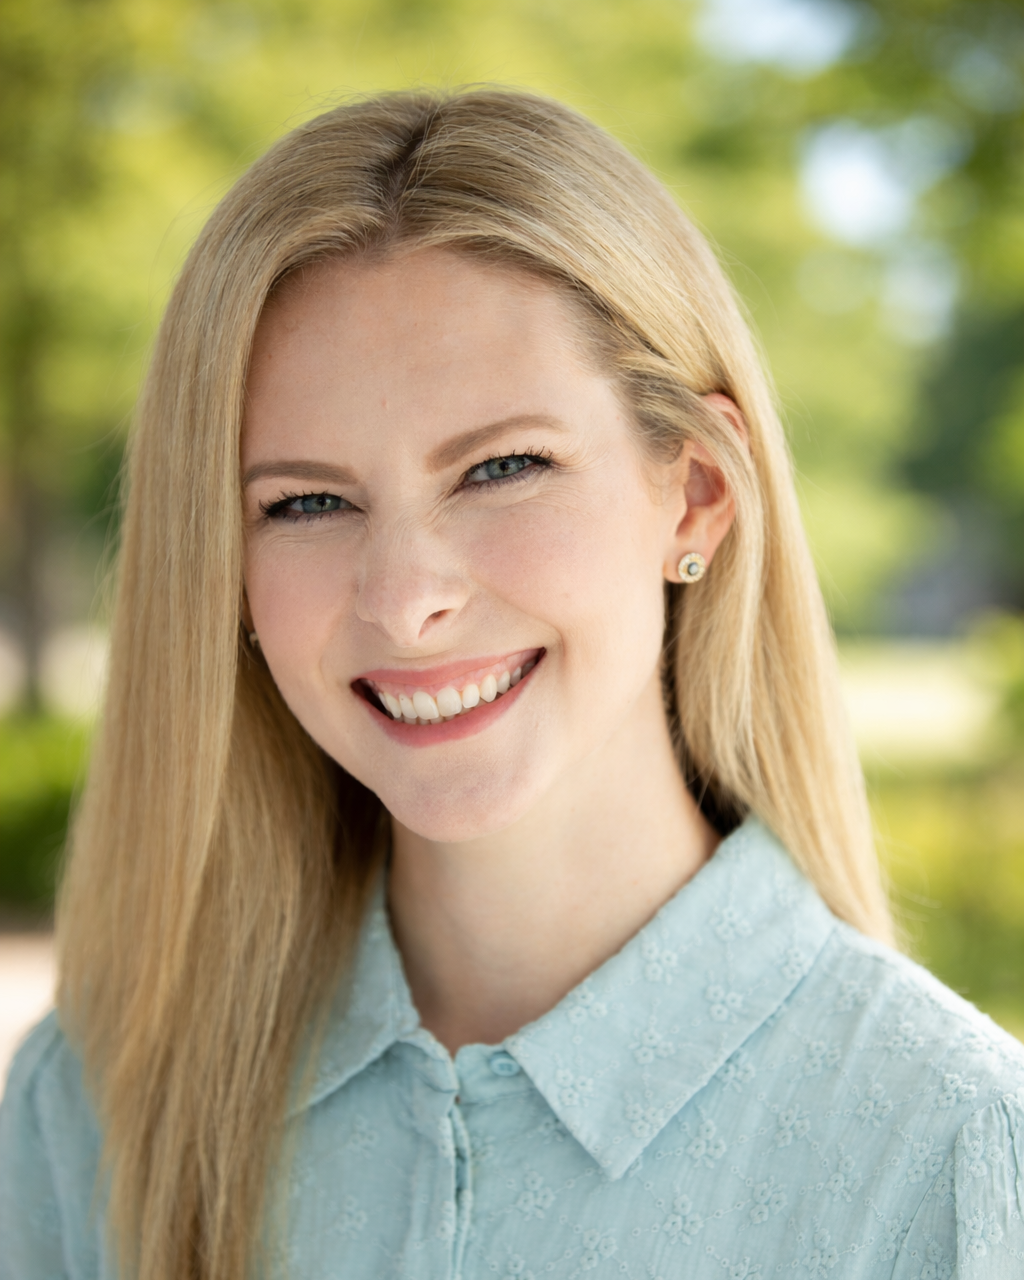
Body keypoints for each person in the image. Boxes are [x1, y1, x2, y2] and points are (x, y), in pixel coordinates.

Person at [1, 89, 1022, 1280]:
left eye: (500, 467)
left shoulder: (949, 1148)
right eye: (307, 501)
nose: (404, 595)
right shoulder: (92, 1103)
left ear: (693, 490)